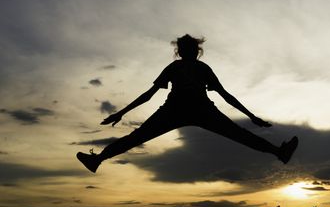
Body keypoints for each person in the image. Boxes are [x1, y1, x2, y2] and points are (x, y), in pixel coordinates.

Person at [77, 34, 299, 173]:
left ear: (195, 51)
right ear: (181, 51)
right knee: (137, 137)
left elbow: (225, 94)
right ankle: (98, 159)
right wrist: (121, 113)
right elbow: (149, 94)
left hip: (201, 110)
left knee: (238, 134)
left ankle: (279, 152)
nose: (188, 51)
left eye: (190, 48)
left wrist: (252, 117)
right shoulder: (174, 68)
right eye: (185, 48)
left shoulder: (203, 69)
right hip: (174, 111)